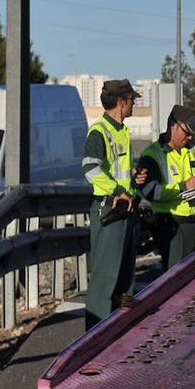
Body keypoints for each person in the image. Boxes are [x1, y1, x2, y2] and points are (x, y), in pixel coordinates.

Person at [82, 79, 144, 330]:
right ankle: (90, 343)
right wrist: (118, 190)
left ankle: (117, 337)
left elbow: (117, 170)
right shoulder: (100, 131)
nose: (134, 106)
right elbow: (90, 169)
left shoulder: (121, 131)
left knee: (124, 282)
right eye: (132, 101)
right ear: (121, 101)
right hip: (109, 212)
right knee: (105, 282)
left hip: (125, 212)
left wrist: (133, 177)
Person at [139, 104, 195, 271]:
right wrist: (183, 187)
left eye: (192, 136)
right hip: (174, 227)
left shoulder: (192, 151)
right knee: (177, 278)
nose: (190, 139)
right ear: (173, 126)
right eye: (187, 134)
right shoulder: (152, 155)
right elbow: (150, 192)